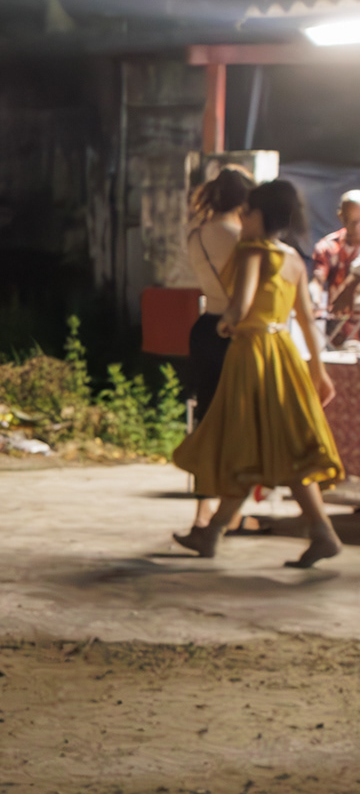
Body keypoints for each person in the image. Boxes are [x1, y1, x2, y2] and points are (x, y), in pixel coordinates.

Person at [173, 180, 344, 568]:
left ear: (258, 216)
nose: (242, 218)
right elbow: (306, 319)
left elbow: (240, 306)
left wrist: (226, 323)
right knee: (277, 446)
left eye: (246, 212)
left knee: (246, 444)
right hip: (283, 354)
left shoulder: (252, 252)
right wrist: (319, 372)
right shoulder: (294, 259)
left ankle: (215, 533)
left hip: (251, 354)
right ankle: (219, 533)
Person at [183, 166, 255, 534]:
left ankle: (203, 511)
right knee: (239, 423)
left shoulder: (196, 235)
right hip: (236, 332)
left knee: (206, 419)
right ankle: (232, 509)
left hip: (204, 330)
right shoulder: (245, 239)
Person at [311, 189, 360, 348]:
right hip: (338, 332)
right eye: (351, 221)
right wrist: (313, 296)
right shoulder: (329, 246)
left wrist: (349, 287)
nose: (357, 228)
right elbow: (318, 279)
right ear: (341, 217)